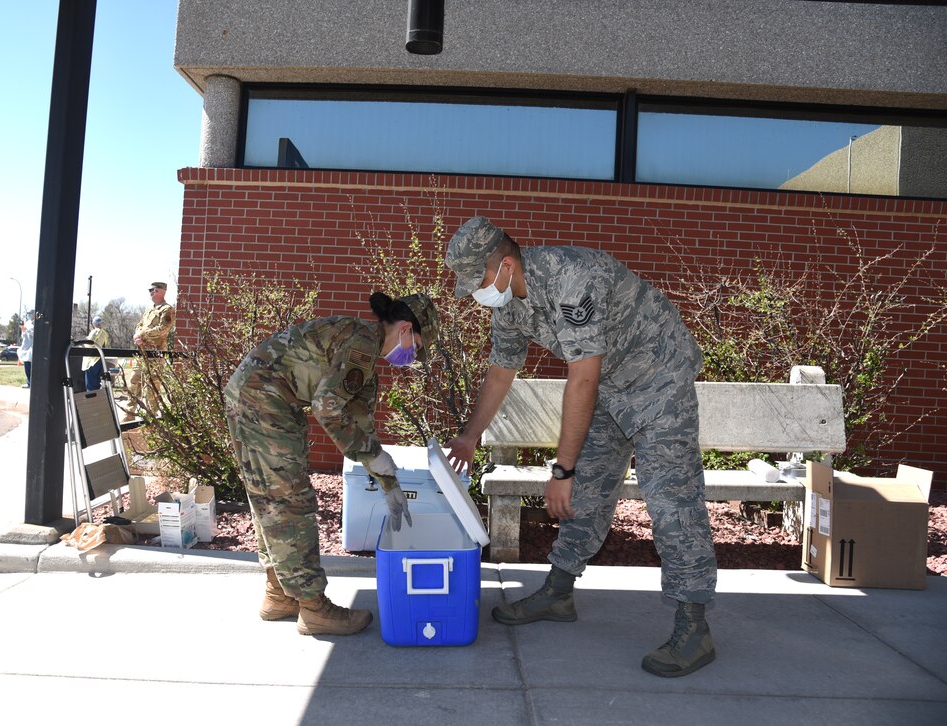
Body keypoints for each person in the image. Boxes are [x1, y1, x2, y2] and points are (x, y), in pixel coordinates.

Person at [443, 216, 717, 678]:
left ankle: (694, 625)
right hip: (610, 386)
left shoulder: (571, 278)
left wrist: (561, 470)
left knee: (671, 499)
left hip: (659, 378)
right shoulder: (508, 303)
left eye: (480, 280)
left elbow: (582, 376)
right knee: (587, 491)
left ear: (507, 265)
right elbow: (501, 371)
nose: (477, 292)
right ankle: (559, 592)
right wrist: (471, 436)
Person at [224, 291, 439, 636]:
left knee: (272, 497)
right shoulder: (362, 345)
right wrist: (372, 456)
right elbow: (327, 407)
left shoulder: (365, 360)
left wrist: (390, 485)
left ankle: (278, 593)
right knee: (288, 502)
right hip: (262, 399)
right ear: (405, 327)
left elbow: (360, 429)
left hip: (259, 396)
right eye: (417, 344)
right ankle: (313, 609)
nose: (413, 355)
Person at [124, 282, 175, 421]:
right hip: (142, 352)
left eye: (153, 290)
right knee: (134, 381)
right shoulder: (149, 310)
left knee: (152, 384)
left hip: (155, 354)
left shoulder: (167, 309)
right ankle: (129, 414)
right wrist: (136, 335)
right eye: (150, 290)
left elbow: (163, 329)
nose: (151, 292)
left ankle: (151, 417)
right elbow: (139, 325)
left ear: (161, 291)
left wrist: (142, 335)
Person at [82, 315, 110, 392]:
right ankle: (96, 399)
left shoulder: (95, 331)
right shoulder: (105, 333)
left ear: (95, 324)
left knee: (91, 383)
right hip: (100, 358)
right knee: (97, 381)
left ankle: (91, 399)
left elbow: (88, 343)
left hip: (92, 360)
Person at [19, 310, 35, 388]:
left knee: (32, 366)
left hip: (32, 346)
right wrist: (23, 330)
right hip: (26, 346)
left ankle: (32, 383)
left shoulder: (37, 323)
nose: (29, 315)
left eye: (30, 314)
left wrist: (27, 331)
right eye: (28, 314)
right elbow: (24, 334)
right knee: (27, 365)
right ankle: (28, 382)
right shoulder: (27, 323)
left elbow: (35, 333)